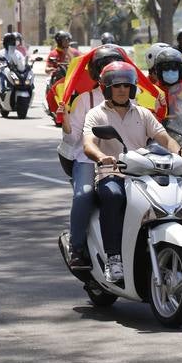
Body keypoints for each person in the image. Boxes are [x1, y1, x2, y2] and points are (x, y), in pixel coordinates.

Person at [83, 61, 182, 284]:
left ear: (132, 88)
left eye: (126, 85)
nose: (122, 89)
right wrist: (102, 157)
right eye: (117, 85)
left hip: (143, 174)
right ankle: (113, 258)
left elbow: (164, 138)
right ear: (107, 88)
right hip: (112, 173)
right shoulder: (96, 114)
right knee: (113, 195)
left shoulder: (144, 113)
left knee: (176, 197)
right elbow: (88, 144)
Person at [57, 46, 125, 269]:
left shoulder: (132, 99)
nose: (119, 84)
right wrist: (66, 123)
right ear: (98, 73)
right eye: (106, 68)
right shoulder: (85, 100)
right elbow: (74, 138)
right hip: (89, 161)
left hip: (125, 162)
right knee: (84, 194)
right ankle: (76, 247)